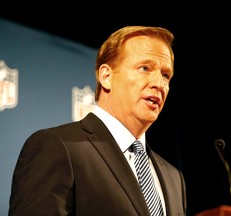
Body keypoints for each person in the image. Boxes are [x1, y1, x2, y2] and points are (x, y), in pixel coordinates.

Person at [8, 26, 187, 216]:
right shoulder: (58, 147)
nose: (159, 84)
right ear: (106, 77)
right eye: (144, 68)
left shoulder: (174, 178)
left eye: (166, 75)